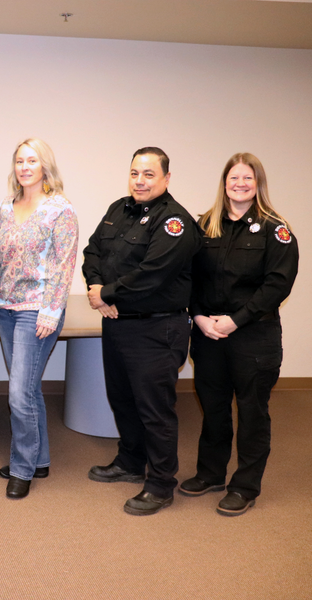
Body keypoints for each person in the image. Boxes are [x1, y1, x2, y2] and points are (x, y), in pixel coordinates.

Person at [82, 147, 200, 515]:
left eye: (149, 174)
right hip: (118, 324)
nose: (140, 180)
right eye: (135, 173)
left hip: (156, 329)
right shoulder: (119, 209)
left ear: (166, 178)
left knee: (155, 410)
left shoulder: (174, 222)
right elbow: (92, 252)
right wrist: (98, 291)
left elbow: (152, 274)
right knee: (123, 400)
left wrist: (106, 293)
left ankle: (162, 484)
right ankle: (130, 462)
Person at [180, 153, 298, 516]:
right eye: (234, 178)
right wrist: (198, 316)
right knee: (214, 408)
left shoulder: (275, 229)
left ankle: (245, 486)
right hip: (209, 334)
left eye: (248, 178)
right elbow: (190, 277)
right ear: (225, 183)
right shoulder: (206, 225)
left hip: (253, 336)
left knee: (252, 412)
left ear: (258, 183)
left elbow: (277, 285)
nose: (241, 184)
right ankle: (211, 473)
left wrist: (236, 319)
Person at [0, 138, 78, 499]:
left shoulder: (60, 210)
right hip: (7, 308)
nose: (25, 167)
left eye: (32, 160)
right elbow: (0, 260)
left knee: (18, 394)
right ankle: (39, 458)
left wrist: (51, 310)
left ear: (45, 166)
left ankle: (22, 468)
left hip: (38, 312)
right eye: (19, 161)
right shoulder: (6, 208)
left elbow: (64, 265)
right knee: (28, 389)